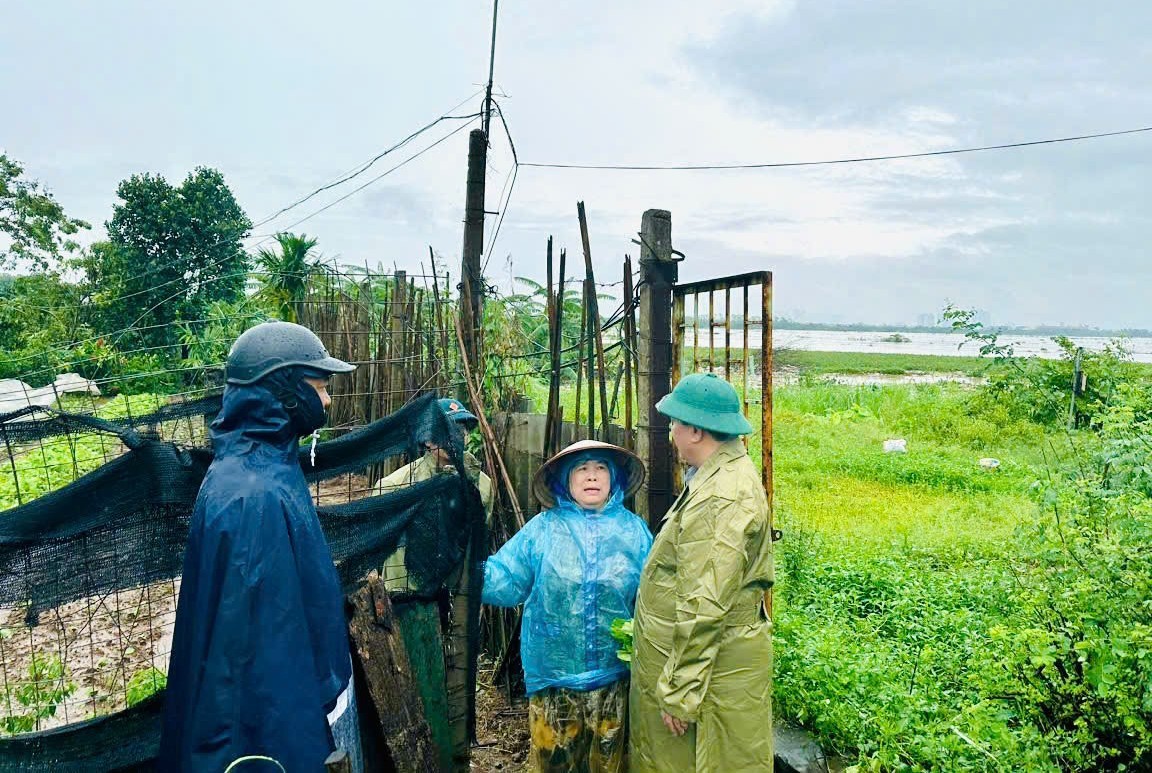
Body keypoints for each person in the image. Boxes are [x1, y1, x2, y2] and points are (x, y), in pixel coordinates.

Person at [159, 321, 360, 773]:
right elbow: (260, 663)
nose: (327, 401)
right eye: (321, 387)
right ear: (284, 391)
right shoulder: (253, 496)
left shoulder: (266, 467)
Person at [629, 373, 774, 771]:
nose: (671, 432)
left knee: (699, 761)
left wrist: (680, 690)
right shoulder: (717, 477)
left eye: (675, 423)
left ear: (695, 430)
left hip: (710, 670)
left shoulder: (720, 496)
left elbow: (704, 600)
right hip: (704, 661)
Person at [482, 440, 650, 773]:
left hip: (615, 680)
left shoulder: (635, 532)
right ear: (566, 481)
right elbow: (506, 579)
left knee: (611, 765)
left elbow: (657, 594)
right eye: (582, 469)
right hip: (555, 683)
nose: (592, 477)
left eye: (601, 468)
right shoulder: (542, 530)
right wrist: (467, 572)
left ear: (614, 479)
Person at [374, 397, 493, 592]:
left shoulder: (482, 485)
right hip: (406, 598)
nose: (454, 436)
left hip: (457, 592)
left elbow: (478, 540)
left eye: (460, 430)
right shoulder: (394, 486)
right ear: (427, 439)